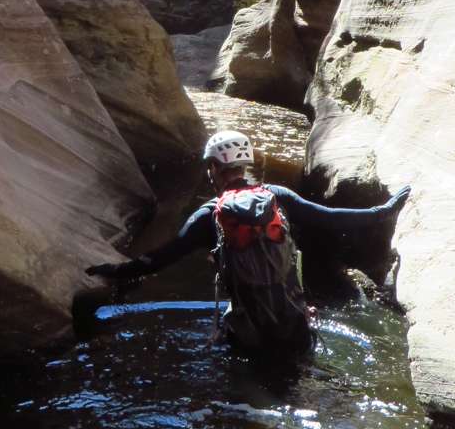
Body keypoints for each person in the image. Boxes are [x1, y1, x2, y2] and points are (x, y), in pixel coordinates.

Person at [87, 131, 410, 354]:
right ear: (244, 165)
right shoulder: (277, 197)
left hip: (249, 335)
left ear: (214, 168)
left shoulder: (208, 216)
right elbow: (330, 217)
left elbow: (158, 260)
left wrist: (113, 270)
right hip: (295, 326)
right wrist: (383, 211)